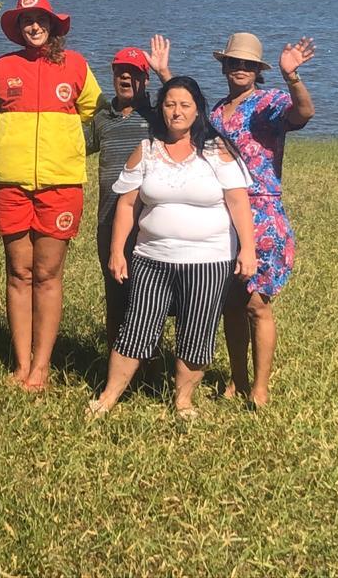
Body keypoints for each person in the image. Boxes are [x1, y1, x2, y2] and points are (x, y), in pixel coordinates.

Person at [87, 77, 258, 419]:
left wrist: (248, 250)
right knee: (136, 327)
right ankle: (107, 397)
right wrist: (117, 250)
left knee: (197, 330)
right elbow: (126, 205)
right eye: (169, 104)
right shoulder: (147, 149)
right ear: (161, 109)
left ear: (197, 111)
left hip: (209, 261)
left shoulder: (218, 151)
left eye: (184, 105)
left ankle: (183, 401)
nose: (176, 112)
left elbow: (239, 203)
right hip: (151, 258)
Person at [0, 0, 102, 391]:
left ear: (52, 25)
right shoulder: (3, 67)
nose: (33, 26)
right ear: (18, 27)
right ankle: (21, 362)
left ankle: (42, 367)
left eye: (40, 20)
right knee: (18, 273)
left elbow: (95, 112)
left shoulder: (77, 65)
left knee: (47, 274)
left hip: (60, 186)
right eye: (26, 20)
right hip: (12, 185)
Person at [209, 32, 316, 409]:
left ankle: (260, 387)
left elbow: (303, 114)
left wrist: (293, 76)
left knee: (257, 304)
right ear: (223, 66)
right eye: (233, 62)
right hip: (221, 214)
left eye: (248, 64)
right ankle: (236, 381)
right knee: (230, 305)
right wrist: (165, 74)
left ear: (258, 71)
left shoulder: (269, 102)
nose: (240, 68)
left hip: (262, 213)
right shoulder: (215, 111)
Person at [85, 38, 171, 347]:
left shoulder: (158, 116)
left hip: (150, 221)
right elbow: (74, 148)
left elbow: (187, 106)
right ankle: (113, 359)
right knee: (116, 295)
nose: (126, 78)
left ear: (145, 79)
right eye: (121, 71)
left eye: (134, 73)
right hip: (109, 220)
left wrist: (164, 71)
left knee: (149, 298)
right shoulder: (102, 119)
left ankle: (147, 362)